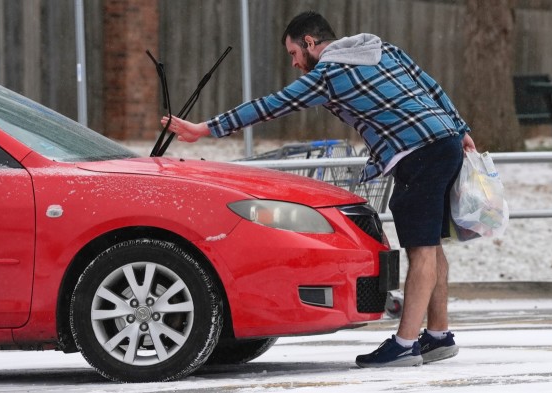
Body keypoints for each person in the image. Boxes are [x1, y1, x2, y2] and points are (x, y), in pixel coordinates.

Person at [161, 11, 475, 368]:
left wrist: (206, 129)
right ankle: (438, 336)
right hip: (445, 141)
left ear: (310, 43)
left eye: (294, 53)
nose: (295, 63)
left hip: (417, 153)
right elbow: (430, 85)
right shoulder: (383, 49)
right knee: (431, 245)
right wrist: (460, 127)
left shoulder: (330, 74)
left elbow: (270, 106)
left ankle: (404, 345)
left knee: (420, 251)